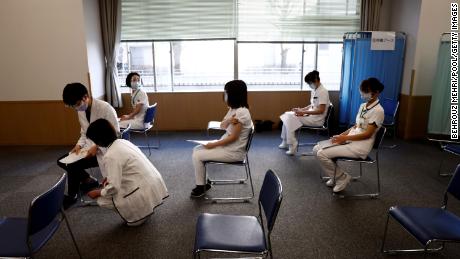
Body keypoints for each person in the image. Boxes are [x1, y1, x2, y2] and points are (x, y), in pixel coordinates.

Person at [86, 119, 168, 226]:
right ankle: (146, 208)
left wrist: (97, 192)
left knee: (102, 200)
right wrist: (110, 178)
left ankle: (139, 214)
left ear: (99, 140)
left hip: (143, 191)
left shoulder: (110, 156)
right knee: (109, 189)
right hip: (154, 185)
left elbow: (114, 187)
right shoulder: (123, 142)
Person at [313, 77, 385, 193]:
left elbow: (367, 134)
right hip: (350, 140)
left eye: (366, 91)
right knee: (316, 148)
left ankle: (342, 178)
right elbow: (356, 126)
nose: (363, 93)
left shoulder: (378, 111)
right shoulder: (363, 106)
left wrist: (344, 138)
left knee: (321, 154)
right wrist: (340, 135)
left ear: (376, 92)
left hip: (360, 147)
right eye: (363, 90)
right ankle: (335, 175)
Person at [57, 83, 120, 209]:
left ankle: (72, 196)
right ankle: (88, 180)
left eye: (76, 105)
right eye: (73, 106)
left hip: (105, 150)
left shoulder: (105, 108)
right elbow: (84, 132)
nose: (76, 108)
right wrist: (79, 146)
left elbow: (116, 134)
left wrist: (96, 147)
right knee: (63, 160)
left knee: (72, 165)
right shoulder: (81, 109)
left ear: (85, 97)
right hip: (88, 148)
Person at [191, 80, 253, 198]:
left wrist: (213, 145)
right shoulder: (234, 109)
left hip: (233, 152)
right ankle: (205, 183)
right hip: (228, 146)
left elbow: (233, 138)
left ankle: (201, 187)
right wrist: (229, 120)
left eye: (226, 92)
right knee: (197, 149)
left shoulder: (241, 113)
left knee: (197, 155)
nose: (224, 95)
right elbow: (222, 125)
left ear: (234, 94)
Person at [279, 70, 330, 155]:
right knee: (287, 114)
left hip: (317, 119)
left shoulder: (323, 91)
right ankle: (285, 141)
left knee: (290, 118)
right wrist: (301, 110)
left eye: (310, 83)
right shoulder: (314, 90)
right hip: (310, 115)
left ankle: (292, 145)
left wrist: (303, 112)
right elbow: (312, 105)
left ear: (316, 81)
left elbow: (321, 110)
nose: (310, 85)